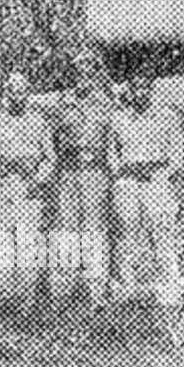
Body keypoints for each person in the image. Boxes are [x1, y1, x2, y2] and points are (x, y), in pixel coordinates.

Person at [0, 71, 54, 311]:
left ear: (28, 94)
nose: (17, 96)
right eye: (13, 91)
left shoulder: (39, 121)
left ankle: (26, 297)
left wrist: (38, 180)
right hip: (3, 185)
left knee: (26, 241)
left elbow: (50, 158)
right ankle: (3, 294)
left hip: (29, 186)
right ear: (7, 93)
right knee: (3, 239)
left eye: (22, 91)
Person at [110, 73, 184, 307]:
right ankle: (127, 291)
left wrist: (160, 173)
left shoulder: (167, 117)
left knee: (162, 236)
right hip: (128, 183)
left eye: (145, 88)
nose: (140, 92)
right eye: (136, 88)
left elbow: (177, 156)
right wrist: (126, 172)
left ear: (151, 90)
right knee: (127, 235)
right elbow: (112, 156)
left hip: (157, 183)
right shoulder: (118, 118)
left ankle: (169, 293)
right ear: (129, 91)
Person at [51, 51, 114, 306]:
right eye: (78, 72)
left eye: (88, 71)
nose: (83, 76)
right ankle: (62, 292)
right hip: (68, 173)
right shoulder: (63, 103)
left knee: (94, 231)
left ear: (95, 74)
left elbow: (111, 141)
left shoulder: (106, 104)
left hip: (94, 173)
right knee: (66, 231)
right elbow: (54, 139)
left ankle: (96, 292)